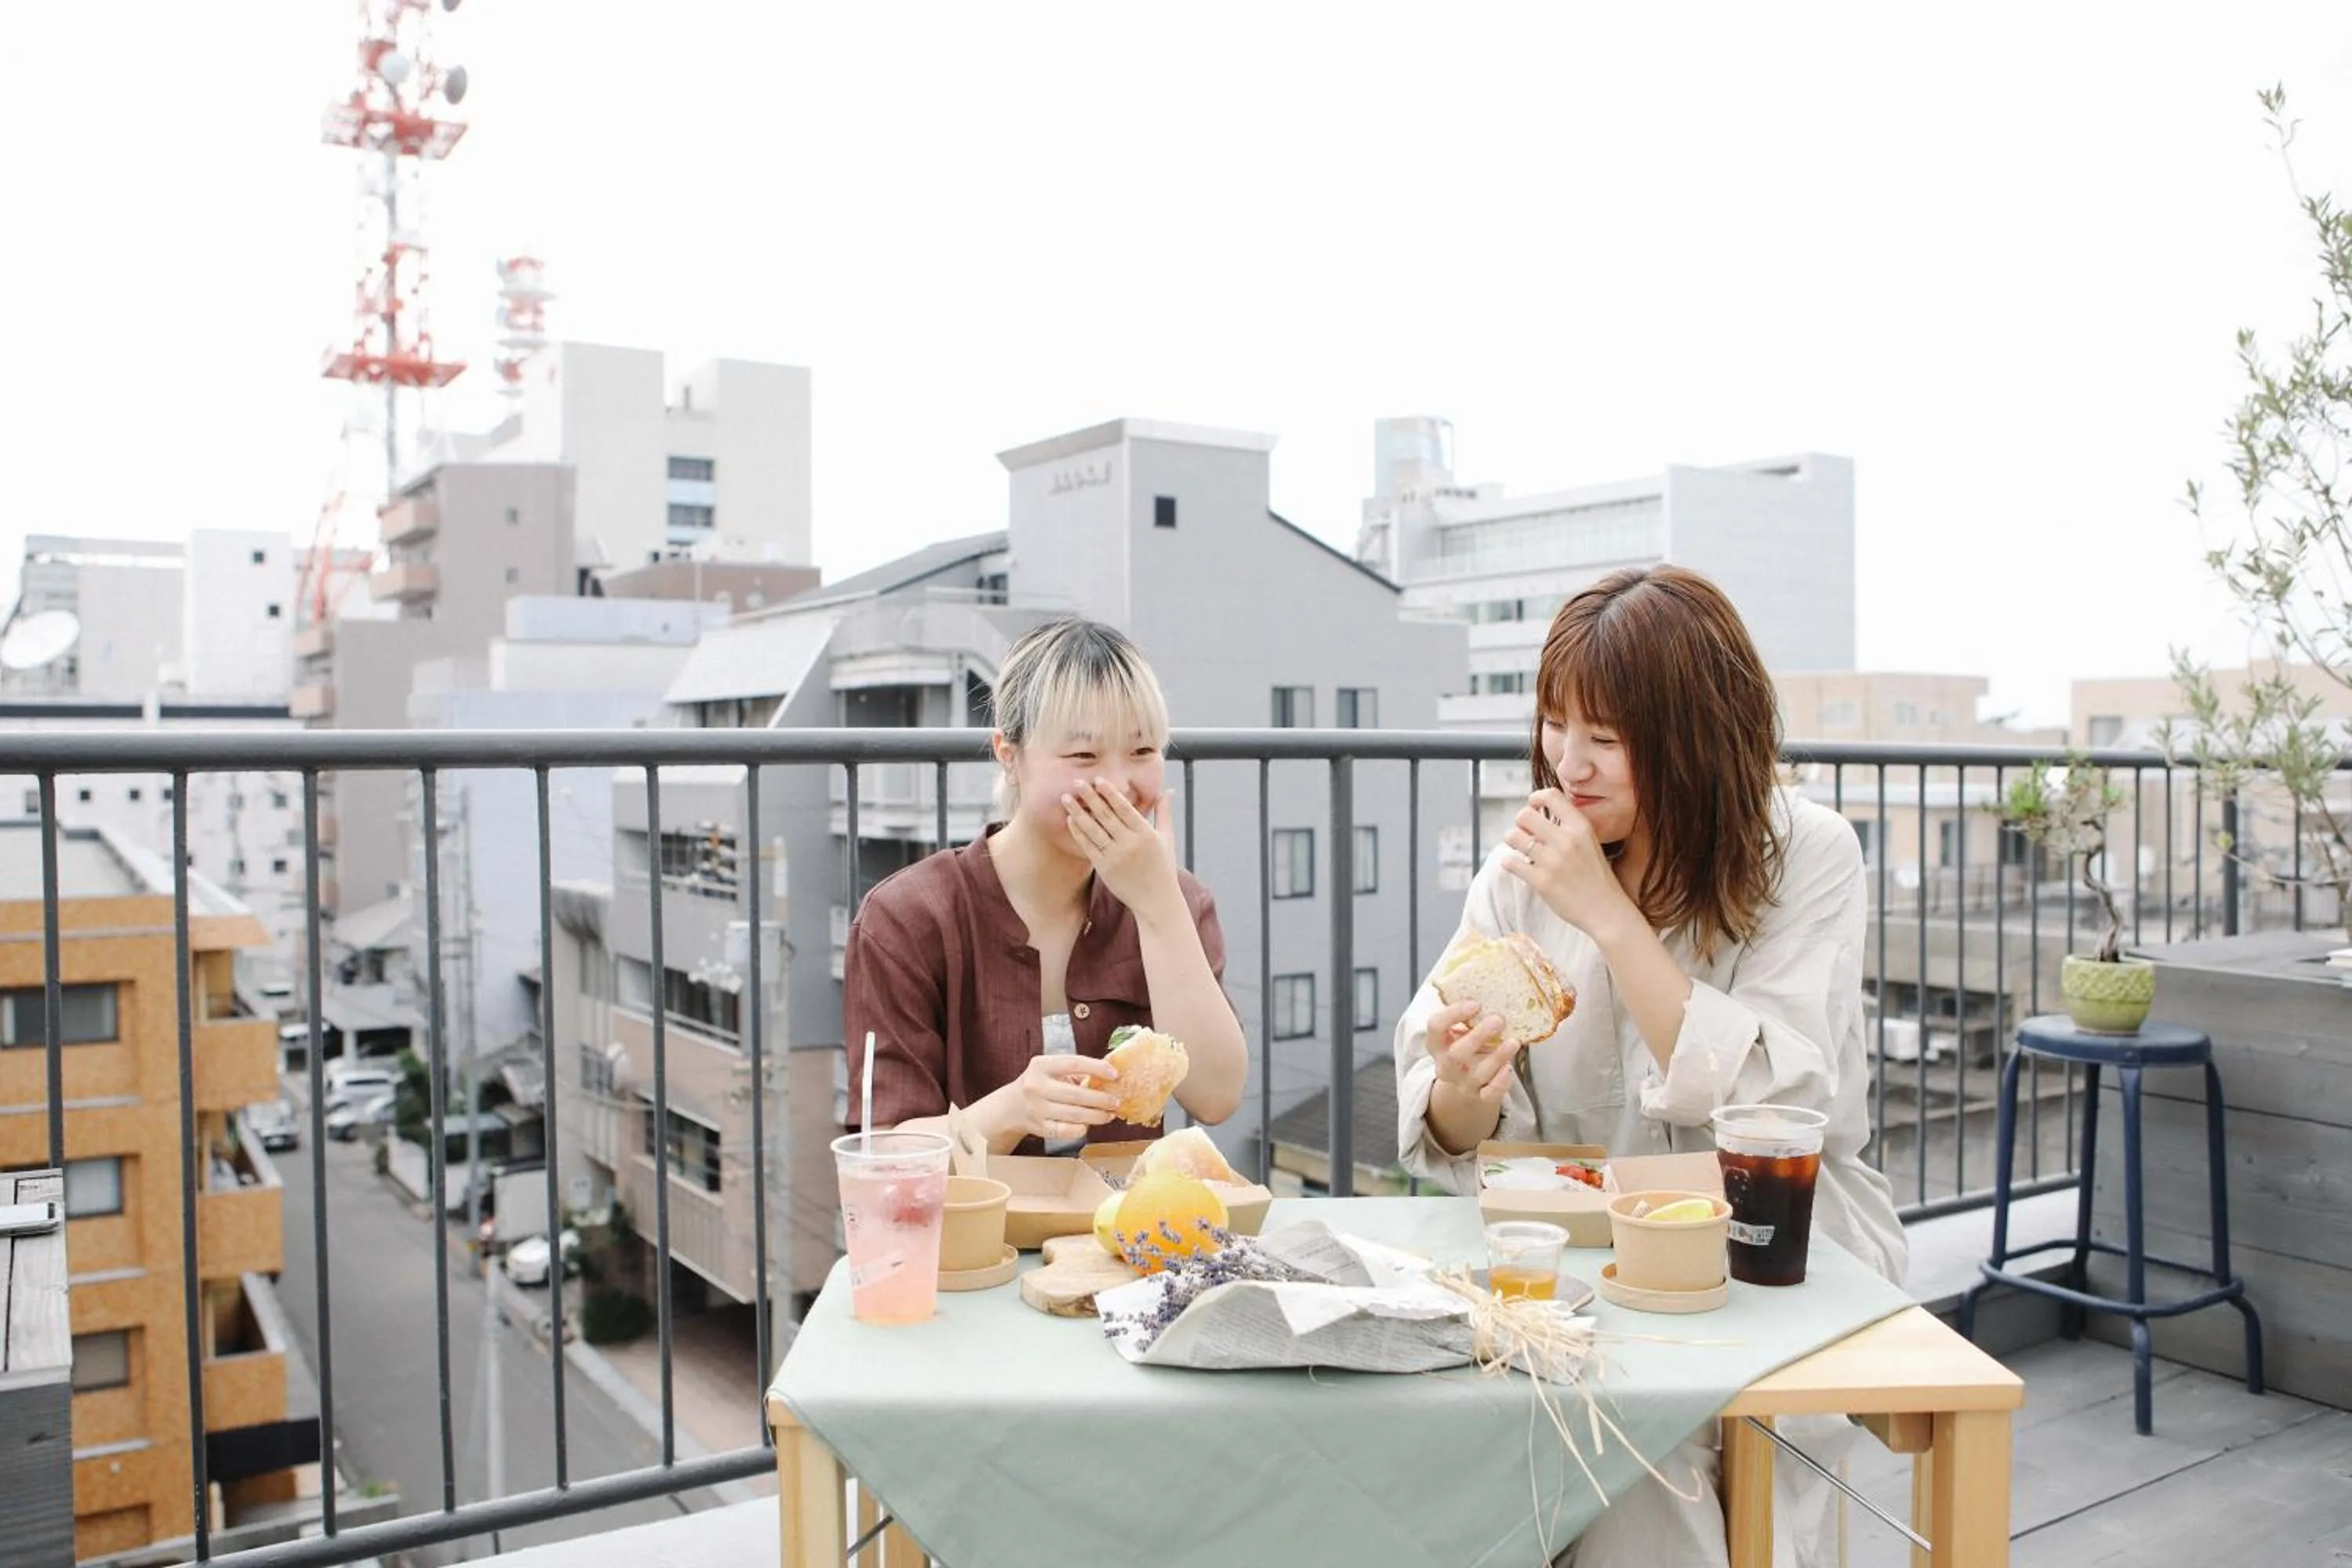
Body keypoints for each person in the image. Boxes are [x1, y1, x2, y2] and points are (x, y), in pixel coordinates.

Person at [1393, 564, 1906, 1568]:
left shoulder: (1808, 854)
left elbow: (1776, 1103)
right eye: (1554, 724)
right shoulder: (1523, 873)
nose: (1567, 763)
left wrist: (1606, 914)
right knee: (1574, 1451)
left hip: (1777, 1253)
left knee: (1636, 1458)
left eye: (1607, 737)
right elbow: (1447, 1127)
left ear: (1694, 736)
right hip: (1586, 1268)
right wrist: (1463, 1086)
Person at [844, 618, 1245, 1154]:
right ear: (1009, 756)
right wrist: (1010, 1110)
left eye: (1144, 751)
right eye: (1083, 757)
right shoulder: (908, 917)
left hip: (1118, 1234)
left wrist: (1159, 907)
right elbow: (883, 1149)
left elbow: (1217, 1097)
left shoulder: (1180, 901)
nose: (1119, 785)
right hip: (973, 1235)